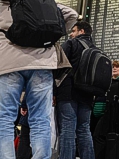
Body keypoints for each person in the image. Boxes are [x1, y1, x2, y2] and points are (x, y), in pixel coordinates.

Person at [0, 1, 78, 159]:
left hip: (9, 63)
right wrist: (49, 35)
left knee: (5, 118)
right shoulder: (43, 3)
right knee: (40, 119)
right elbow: (72, 15)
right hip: (42, 64)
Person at [55, 21, 96, 159]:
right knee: (84, 129)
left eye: (73, 31)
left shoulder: (71, 44)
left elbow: (58, 67)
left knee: (67, 128)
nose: (71, 34)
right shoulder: (96, 50)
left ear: (81, 31)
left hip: (68, 92)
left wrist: (54, 91)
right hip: (87, 95)